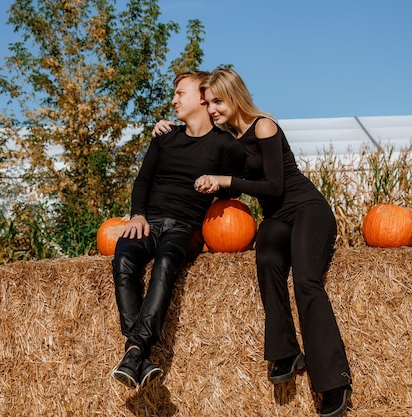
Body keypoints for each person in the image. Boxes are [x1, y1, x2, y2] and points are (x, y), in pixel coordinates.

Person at [154, 68, 352, 417]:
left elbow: (274, 186)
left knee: (306, 283)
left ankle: (334, 381)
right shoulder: (230, 141)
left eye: (217, 101)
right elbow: (235, 185)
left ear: (233, 95)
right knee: (266, 262)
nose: (212, 108)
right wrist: (173, 138)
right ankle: (286, 351)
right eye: (208, 103)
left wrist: (226, 178)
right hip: (277, 219)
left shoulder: (263, 126)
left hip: (306, 210)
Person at [111, 70, 244, 390]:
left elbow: (233, 190)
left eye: (179, 94)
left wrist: (217, 186)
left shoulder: (225, 144)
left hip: (185, 228)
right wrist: (137, 215)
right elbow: (142, 180)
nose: (173, 100)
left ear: (202, 98)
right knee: (123, 260)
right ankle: (137, 352)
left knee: (165, 265)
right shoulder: (165, 137)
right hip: (149, 222)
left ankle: (134, 350)